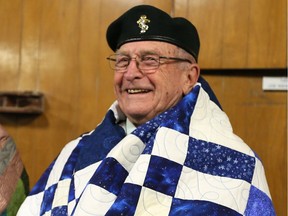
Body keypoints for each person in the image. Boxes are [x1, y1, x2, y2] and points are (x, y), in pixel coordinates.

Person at [17, 5, 275, 216]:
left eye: (150, 60)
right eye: (122, 61)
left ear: (189, 77)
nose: (130, 73)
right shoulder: (74, 153)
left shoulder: (235, 162)